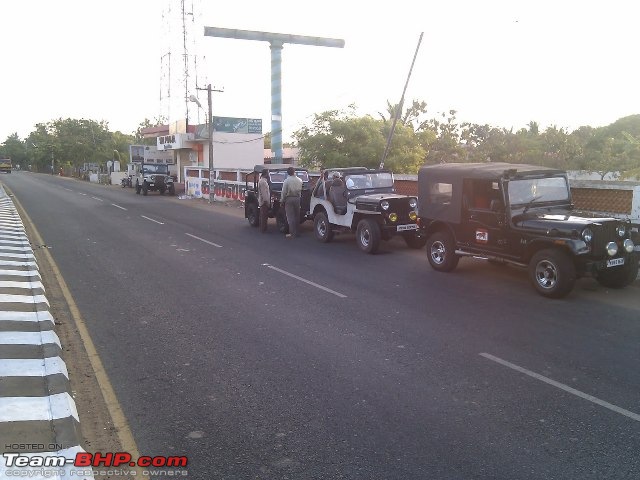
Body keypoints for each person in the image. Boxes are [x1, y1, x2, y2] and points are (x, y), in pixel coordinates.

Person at [280, 166, 303, 238]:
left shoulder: (286, 181)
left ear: (288, 173)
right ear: (294, 172)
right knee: (297, 216)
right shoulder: (300, 180)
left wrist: (282, 200)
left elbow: (284, 192)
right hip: (297, 198)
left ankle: (292, 234)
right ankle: (297, 232)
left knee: (290, 217)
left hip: (289, 199)